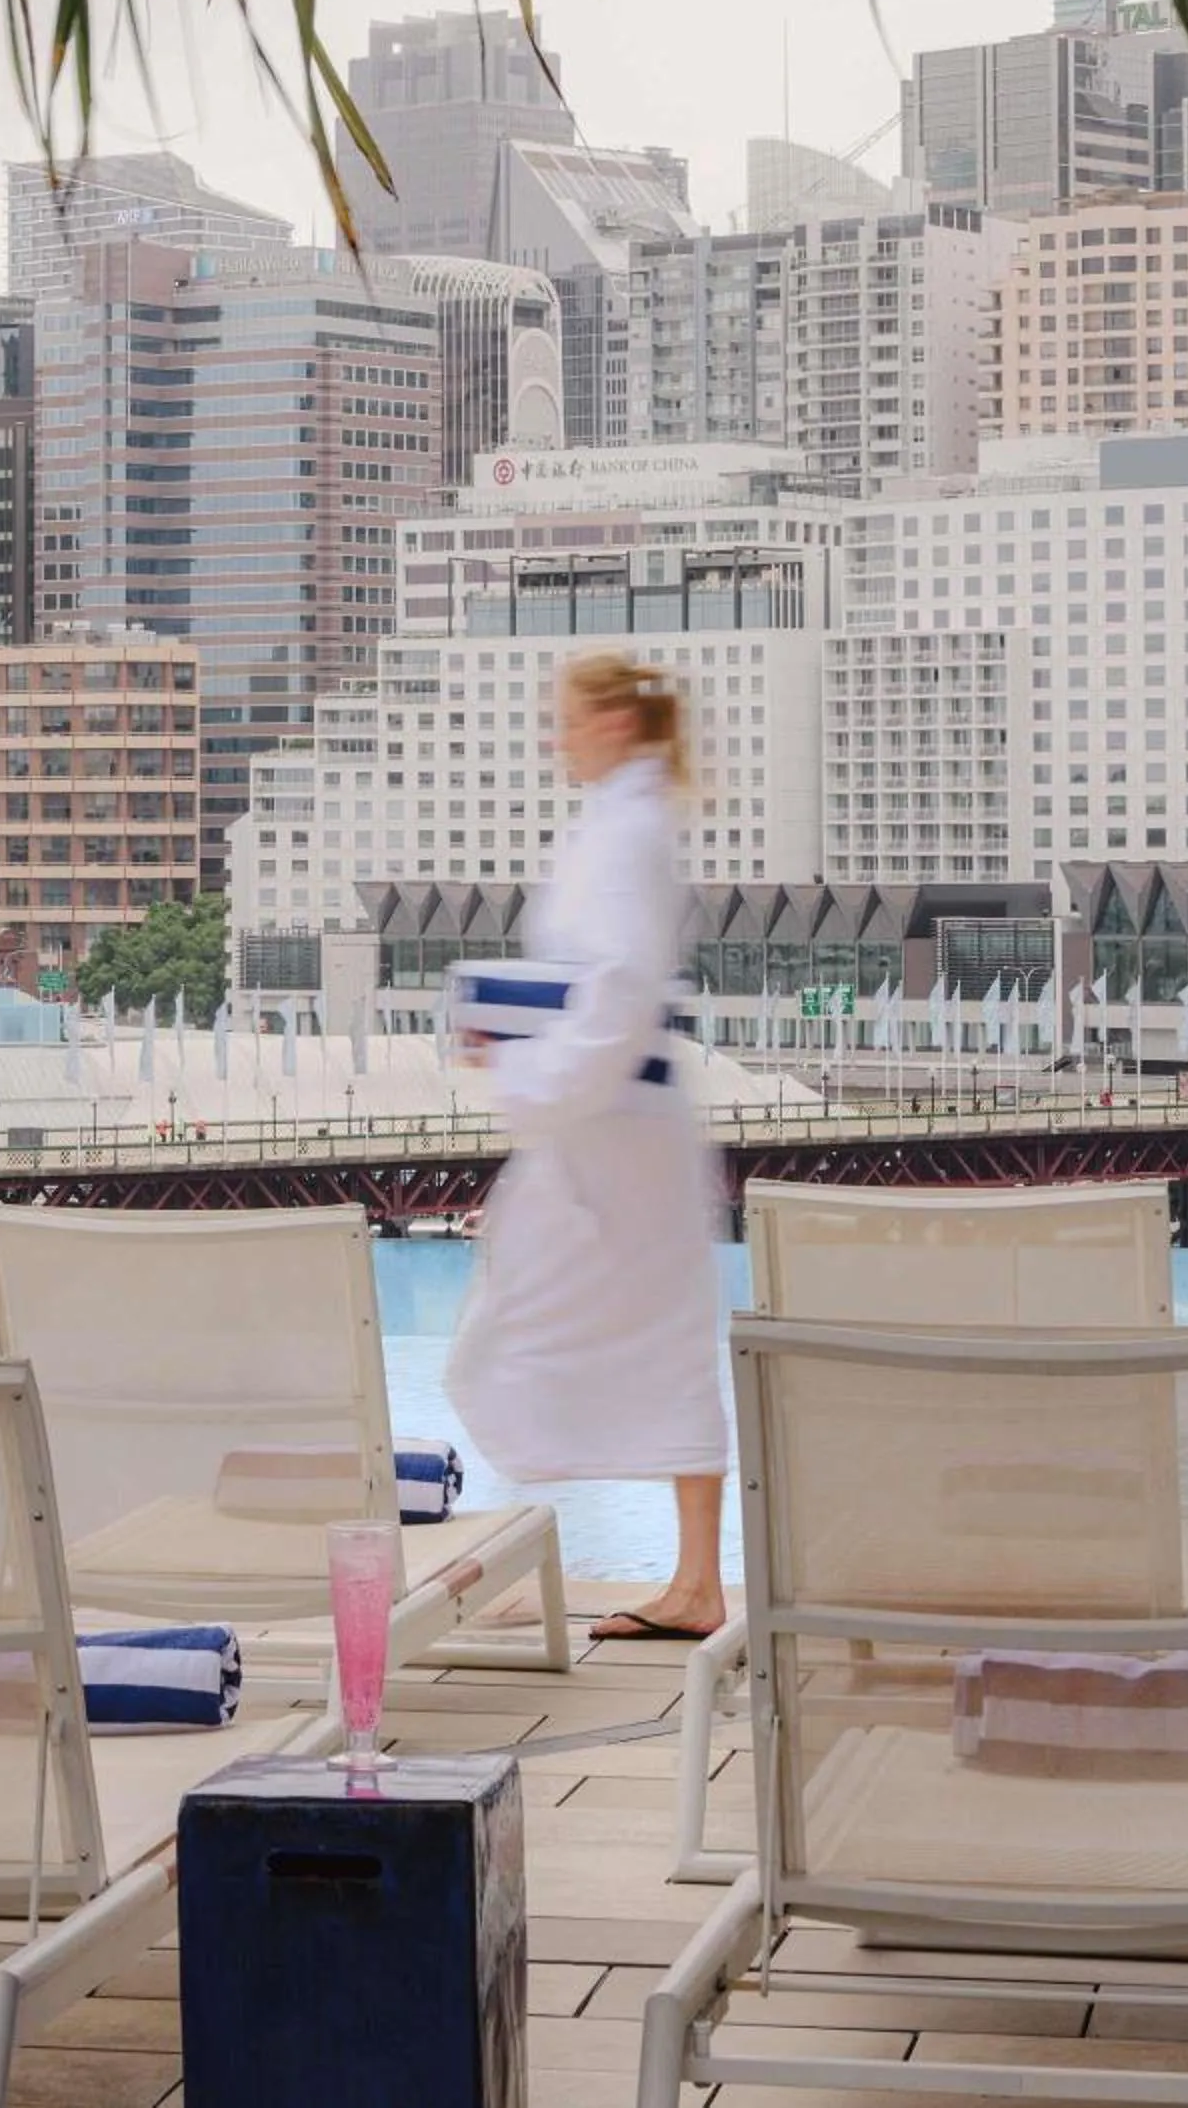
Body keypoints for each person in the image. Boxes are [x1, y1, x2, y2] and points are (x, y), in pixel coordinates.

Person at [446, 654, 730, 1642]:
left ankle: (518, 1544)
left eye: (565, 719)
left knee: (527, 1320)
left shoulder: (626, 833)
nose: (553, 737)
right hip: (608, 1120)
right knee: (649, 1329)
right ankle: (687, 1579)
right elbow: (601, 988)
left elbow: (617, 992)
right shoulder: (622, 823)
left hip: (608, 1122)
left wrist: (525, 1073)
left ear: (612, 723)